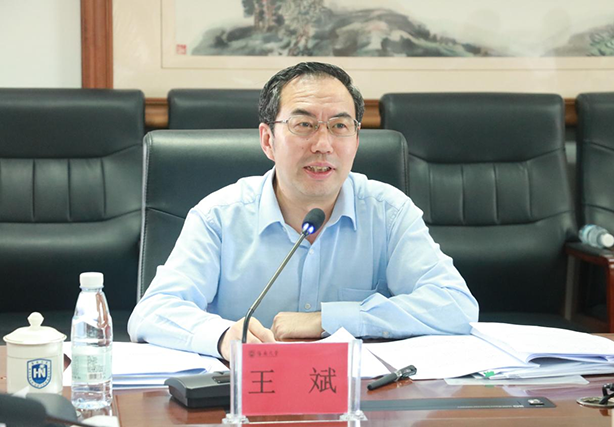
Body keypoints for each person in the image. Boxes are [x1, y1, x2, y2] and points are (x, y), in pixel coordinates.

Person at [128, 62, 479, 360]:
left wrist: (332, 319)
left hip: (359, 400)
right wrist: (222, 337)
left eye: (339, 126)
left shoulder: (388, 212)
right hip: (247, 397)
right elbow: (153, 311)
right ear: (268, 140)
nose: (323, 144)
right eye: (304, 125)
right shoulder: (219, 216)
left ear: (356, 140)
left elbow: (455, 306)